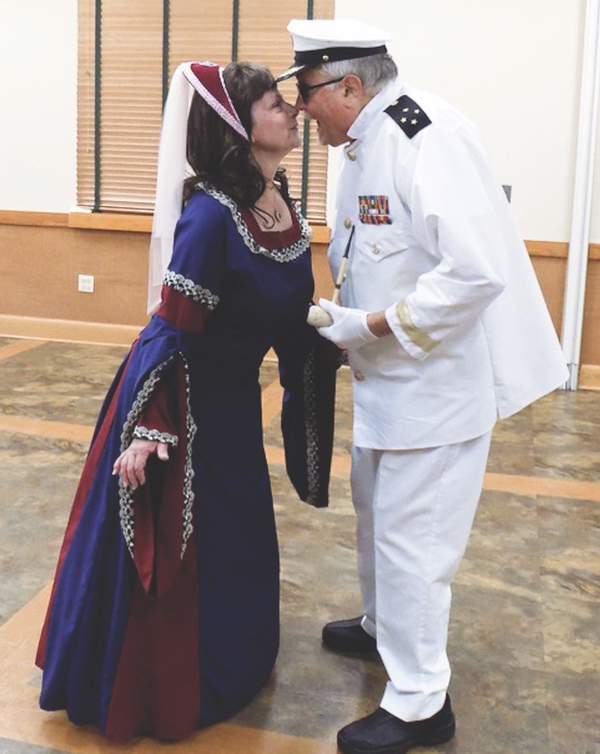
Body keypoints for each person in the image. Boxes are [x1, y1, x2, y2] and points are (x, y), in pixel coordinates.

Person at [279, 18, 569, 754]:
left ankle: (419, 703)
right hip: (388, 383)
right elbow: (370, 254)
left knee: (415, 545)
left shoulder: (424, 136)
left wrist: (370, 325)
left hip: (434, 391)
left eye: (309, 91)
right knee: (377, 522)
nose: (302, 108)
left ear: (351, 84)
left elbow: (475, 272)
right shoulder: (360, 147)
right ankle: (383, 631)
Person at [35, 60, 338, 743]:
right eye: (273, 104)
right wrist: (149, 429)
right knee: (186, 554)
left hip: (233, 415)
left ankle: (237, 660)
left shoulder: (282, 206)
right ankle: (164, 685)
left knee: (239, 543)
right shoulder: (209, 220)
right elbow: (170, 328)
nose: (292, 110)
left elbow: (293, 319)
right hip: (179, 409)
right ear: (238, 127)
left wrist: (341, 340)